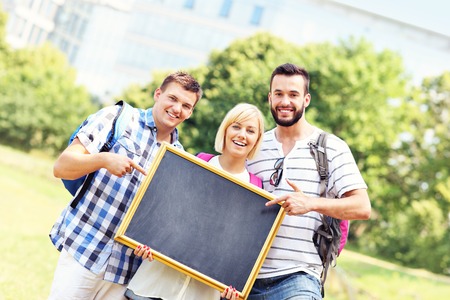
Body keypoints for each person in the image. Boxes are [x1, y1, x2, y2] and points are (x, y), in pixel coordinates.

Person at [48, 71, 203, 300]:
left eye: (186, 105)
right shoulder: (117, 117)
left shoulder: (178, 158)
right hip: (84, 248)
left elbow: (162, 222)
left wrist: (153, 246)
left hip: (124, 272)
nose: (177, 108)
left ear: (190, 112)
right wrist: (103, 160)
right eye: (172, 98)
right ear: (157, 94)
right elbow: (61, 166)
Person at [246, 63, 371, 299]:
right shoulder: (253, 145)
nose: (285, 102)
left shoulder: (331, 147)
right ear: (269, 98)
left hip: (299, 278)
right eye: (279, 94)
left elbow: (362, 207)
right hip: (244, 277)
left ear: (306, 99)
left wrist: (310, 204)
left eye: (293, 95)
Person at [124, 103, 265, 300]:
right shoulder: (198, 162)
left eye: (250, 131)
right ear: (225, 130)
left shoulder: (257, 189)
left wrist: (236, 283)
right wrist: (146, 241)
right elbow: (166, 215)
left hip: (201, 294)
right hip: (155, 285)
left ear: (257, 139)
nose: (242, 134)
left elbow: (241, 250)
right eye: (236, 126)